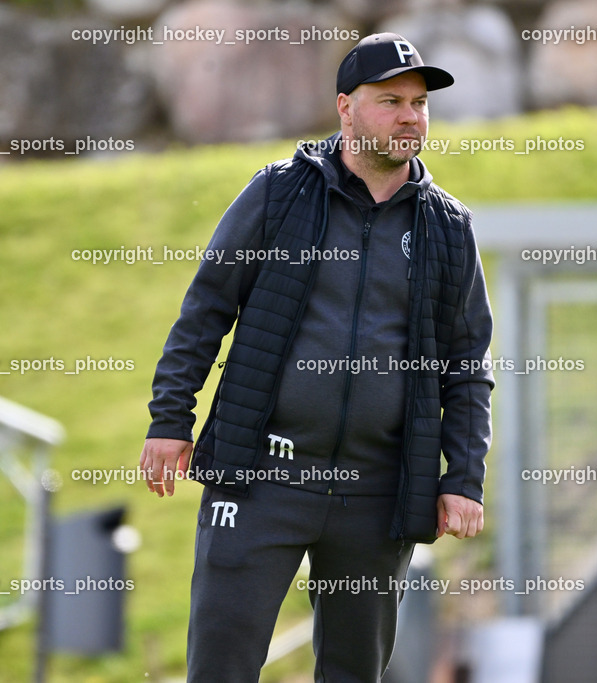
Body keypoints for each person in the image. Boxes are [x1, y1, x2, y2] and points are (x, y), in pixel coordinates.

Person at [139, 32, 494, 682]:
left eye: (419, 103)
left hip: (376, 493)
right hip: (259, 479)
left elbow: (467, 363)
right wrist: (170, 421)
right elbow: (206, 309)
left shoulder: (449, 228)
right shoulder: (280, 193)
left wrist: (462, 475)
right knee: (219, 669)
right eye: (391, 100)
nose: (411, 116)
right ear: (345, 107)